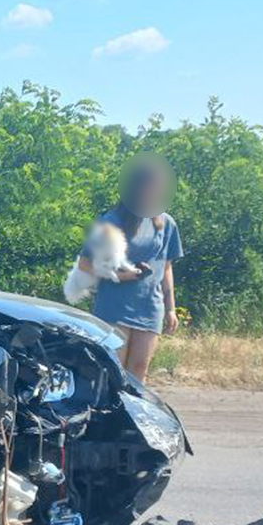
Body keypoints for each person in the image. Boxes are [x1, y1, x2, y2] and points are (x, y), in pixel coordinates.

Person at [78, 154, 183, 383]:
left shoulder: (167, 224)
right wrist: (120, 275)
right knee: (114, 370)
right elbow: (85, 264)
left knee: (139, 371)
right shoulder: (111, 221)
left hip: (150, 308)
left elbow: (166, 268)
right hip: (114, 308)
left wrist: (171, 309)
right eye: (151, 185)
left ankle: (134, 408)